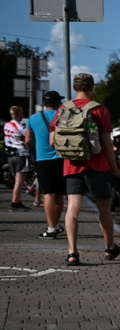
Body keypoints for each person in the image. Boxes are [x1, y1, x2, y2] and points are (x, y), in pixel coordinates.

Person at [50, 73, 120, 265]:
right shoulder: (99, 110)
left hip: (72, 165)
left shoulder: (63, 109)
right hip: (97, 165)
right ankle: (110, 248)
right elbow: (106, 144)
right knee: (104, 209)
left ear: (74, 87)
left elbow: (52, 141)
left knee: (73, 208)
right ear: (92, 87)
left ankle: (72, 252)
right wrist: (116, 170)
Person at [25, 92, 67, 236]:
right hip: (62, 159)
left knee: (48, 194)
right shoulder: (63, 116)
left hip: (42, 159)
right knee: (60, 195)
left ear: (44, 103)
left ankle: (51, 228)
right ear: (58, 103)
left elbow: (28, 140)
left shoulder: (33, 118)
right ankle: (56, 223)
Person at [5, 105, 32, 211]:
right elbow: (28, 134)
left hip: (11, 154)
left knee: (17, 180)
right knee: (19, 181)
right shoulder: (20, 127)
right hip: (21, 153)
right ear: (18, 114)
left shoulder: (7, 125)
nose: (23, 115)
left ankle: (17, 201)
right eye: (21, 113)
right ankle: (15, 203)